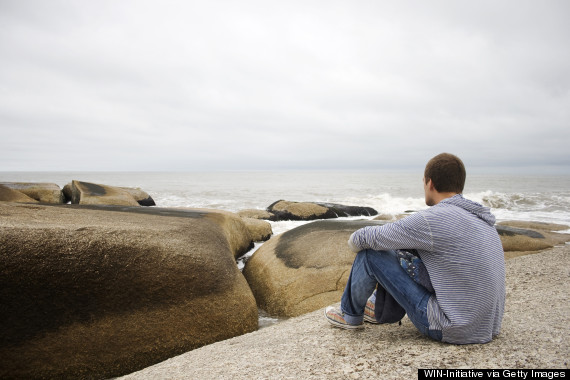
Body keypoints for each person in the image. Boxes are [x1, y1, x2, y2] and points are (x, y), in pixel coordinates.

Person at [324, 153, 505, 344]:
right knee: (408, 249)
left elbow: (366, 238)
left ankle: (349, 315)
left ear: (430, 183)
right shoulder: (482, 219)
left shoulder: (434, 219)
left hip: (451, 326)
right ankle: (374, 307)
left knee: (370, 254)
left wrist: (352, 243)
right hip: (487, 325)